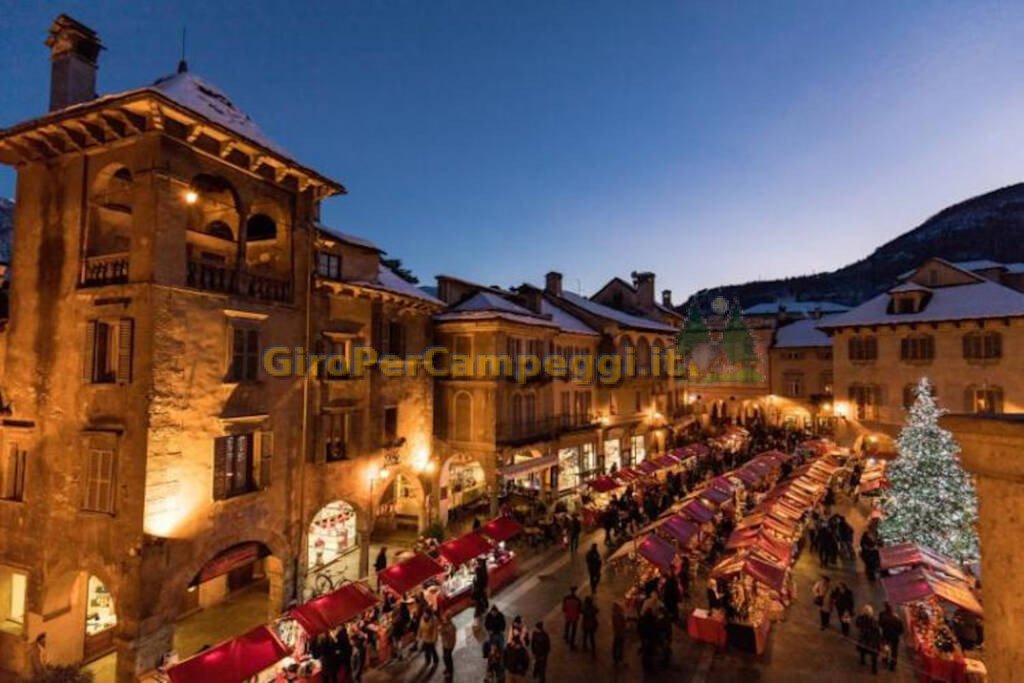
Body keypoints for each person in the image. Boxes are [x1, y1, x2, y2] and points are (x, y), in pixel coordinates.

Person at [855, 605, 882, 674]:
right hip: (871, 640)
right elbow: (877, 631)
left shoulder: (861, 618)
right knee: (874, 654)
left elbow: (857, 624)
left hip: (863, 638)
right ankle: (874, 669)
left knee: (863, 650)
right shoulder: (873, 620)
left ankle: (862, 660)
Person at [878, 602, 905, 672]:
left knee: (885, 649)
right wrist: (897, 633)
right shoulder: (897, 618)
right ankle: (892, 665)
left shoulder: (881, 615)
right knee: (894, 651)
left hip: (885, 636)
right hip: (894, 638)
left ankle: (885, 661)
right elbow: (901, 630)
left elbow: (880, 624)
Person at [439, 612, 457, 680]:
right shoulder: (444, 624)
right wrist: (442, 627)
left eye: (444, 617)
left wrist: (444, 629)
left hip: (449, 645)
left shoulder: (451, 626)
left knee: (448, 658)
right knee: (444, 657)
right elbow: (440, 632)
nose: (443, 618)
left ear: (447, 618)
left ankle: (450, 671)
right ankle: (447, 668)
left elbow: (451, 635)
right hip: (444, 643)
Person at [611, 602, 627, 666]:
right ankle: (619, 660)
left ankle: (617, 660)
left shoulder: (616, 614)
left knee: (617, 646)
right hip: (619, 633)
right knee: (619, 646)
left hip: (618, 633)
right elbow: (619, 625)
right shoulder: (617, 615)